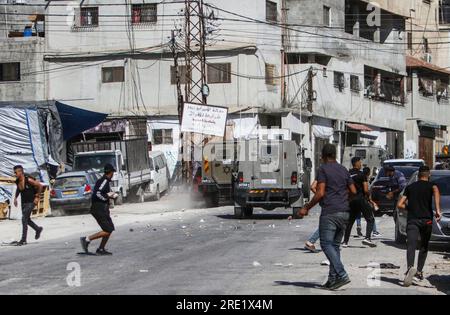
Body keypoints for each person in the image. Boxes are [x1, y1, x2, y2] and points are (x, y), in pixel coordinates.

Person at [297, 144, 357, 290]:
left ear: (323, 156)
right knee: (335, 246)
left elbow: (320, 192)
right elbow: (354, 191)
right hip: (345, 212)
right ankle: (332, 279)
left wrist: (306, 207)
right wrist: (344, 200)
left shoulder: (323, 169)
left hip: (330, 212)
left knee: (325, 244)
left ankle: (342, 274)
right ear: (335, 155)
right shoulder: (343, 170)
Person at [397, 166, 442, 287]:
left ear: (418, 175)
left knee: (411, 245)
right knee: (424, 246)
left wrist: (410, 208)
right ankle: (419, 272)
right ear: (429, 175)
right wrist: (438, 210)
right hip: (426, 221)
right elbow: (436, 190)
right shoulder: (432, 186)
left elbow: (400, 204)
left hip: (413, 221)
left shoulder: (410, 187)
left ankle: (410, 268)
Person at [80, 164, 118, 255]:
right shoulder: (104, 181)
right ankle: (86, 239)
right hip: (98, 209)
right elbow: (97, 193)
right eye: (113, 172)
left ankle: (101, 249)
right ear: (111, 172)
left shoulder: (105, 181)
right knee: (107, 230)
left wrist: (111, 195)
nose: (113, 174)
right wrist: (107, 196)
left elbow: (103, 193)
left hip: (103, 209)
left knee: (110, 228)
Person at [343, 158, 377, 248]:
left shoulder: (348, 174)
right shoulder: (362, 175)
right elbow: (366, 190)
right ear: (356, 163)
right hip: (361, 199)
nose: (361, 164)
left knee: (350, 222)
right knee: (370, 219)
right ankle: (367, 238)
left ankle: (345, 242)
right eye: (360, 162)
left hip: (351, 200)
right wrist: (369, 198)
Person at [13, 165, 44, 246]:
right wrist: (15, 198)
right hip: (24, 203)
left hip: (31, 202)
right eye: (14, 173)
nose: (15, 174)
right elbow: (18, 189)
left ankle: (23, 240)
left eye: (16, 172)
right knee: (27, 220)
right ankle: (38, 229)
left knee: (24, 219)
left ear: (20, 172)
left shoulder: (28, 180)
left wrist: (37, 197)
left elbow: (40, 186)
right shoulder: (17, 181)